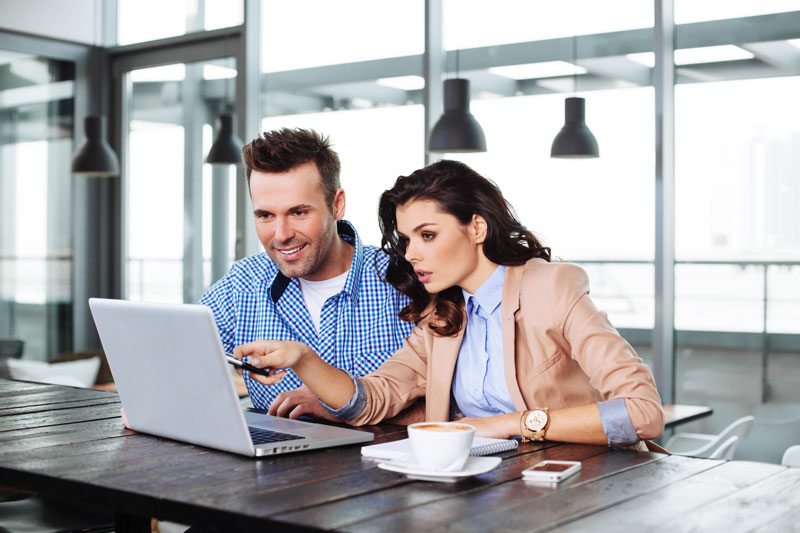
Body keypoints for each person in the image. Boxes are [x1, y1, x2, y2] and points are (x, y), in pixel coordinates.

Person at [238, 159, 664, 447]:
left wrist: (512, 424)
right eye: (406, 240)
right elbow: (373, 399)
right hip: (489, 489)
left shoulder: (552, 288)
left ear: (476, 227)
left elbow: (643, 412)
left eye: (428, 235)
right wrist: (303, 359)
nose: (411, 254)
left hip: (584, 485)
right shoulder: (442, 315)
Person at [200, 128, 414, 418]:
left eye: (298, 212)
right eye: (265, 215)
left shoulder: (405, 281)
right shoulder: (242, 284)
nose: (281, 235)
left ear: (337, 204)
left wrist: (337, 405)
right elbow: (179, 359)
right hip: (275, 462)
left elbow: (450, 408)